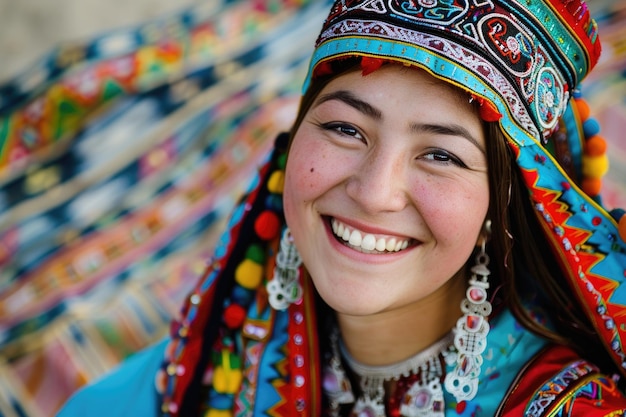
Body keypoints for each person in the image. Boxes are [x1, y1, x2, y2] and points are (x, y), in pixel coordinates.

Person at [57, 0, 626, 415]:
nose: (375, 192)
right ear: (293, 138)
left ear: (503, 202)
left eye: (440, 155)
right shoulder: (220, 361)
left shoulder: (566, 407)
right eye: (345, 128)